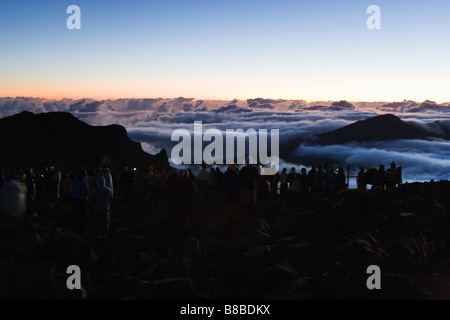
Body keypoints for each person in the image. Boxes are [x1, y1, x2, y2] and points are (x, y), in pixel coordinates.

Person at [71, 168, 89, 234]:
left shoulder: (74, 181)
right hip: (81, 200)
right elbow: (86, 192)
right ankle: (82, 230)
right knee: (82, 216)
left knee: (75, 215)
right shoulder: (84, 182)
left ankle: (75, 229)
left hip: (74, 199)